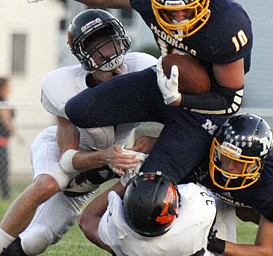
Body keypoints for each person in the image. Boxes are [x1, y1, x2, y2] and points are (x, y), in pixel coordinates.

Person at [0, 9, 157, 255]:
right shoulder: (63, 85)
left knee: (37, 239)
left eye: (109, 38)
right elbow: (67, 160)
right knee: (49, 184)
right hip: (67, 154)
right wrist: (106, 157)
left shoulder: (144, 68)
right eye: (96, 44)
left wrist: (148, 145)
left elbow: (175, 121)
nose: (106, 49)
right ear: (82, 53)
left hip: (100, 168)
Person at [63, 0, 253, 183]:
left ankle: (194, 164)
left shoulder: (227, 22)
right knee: (78, 110)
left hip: (204, 111)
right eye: (171, 11)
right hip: (163, 83)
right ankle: (106, 168)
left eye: (186, 10)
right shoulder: (150, 2)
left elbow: (230, 101)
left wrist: (180, 100)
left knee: (147, 198)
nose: (179, 18)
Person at [195, 112, 273, 255]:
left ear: (257, 164)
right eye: (226, 155)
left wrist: (212, 242)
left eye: (239, 161)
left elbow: (265, 251)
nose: (229, 166)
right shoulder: (201, 158)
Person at [79, 171, 237, 256]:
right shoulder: (196, 214)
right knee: (223, 205)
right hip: (196, 244)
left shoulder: (121, 238)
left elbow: (86, 220)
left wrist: (124, 182)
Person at [0, 77, 15, 199]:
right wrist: (16, 134)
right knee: (3, 171)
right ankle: (6, 195)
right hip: (1, 142)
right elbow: (7, 121)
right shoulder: (3, 103)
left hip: (3, 141)